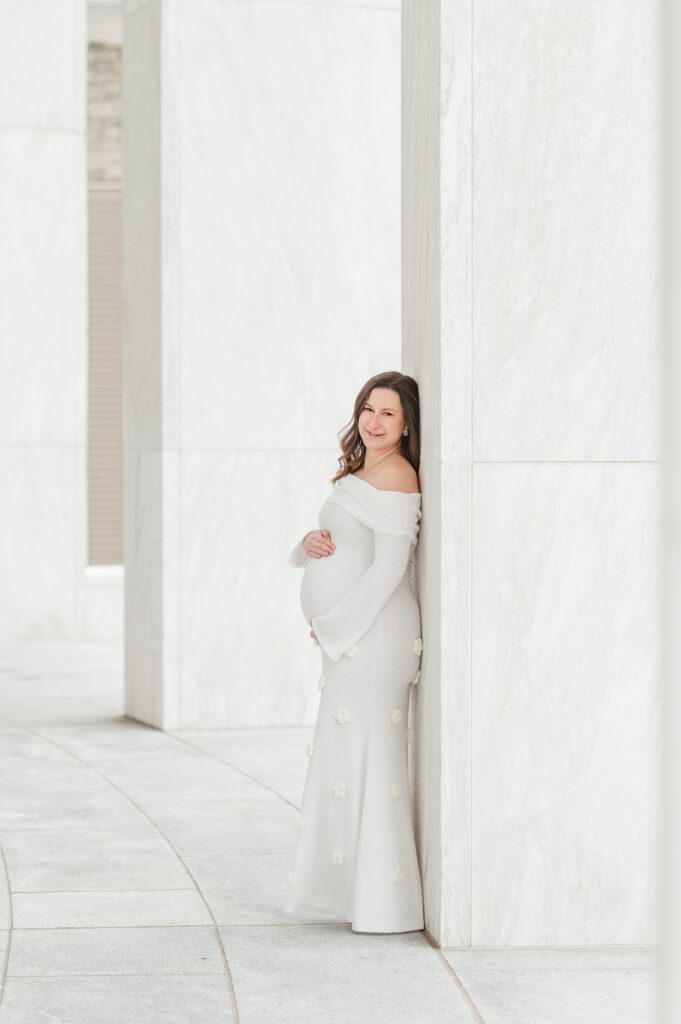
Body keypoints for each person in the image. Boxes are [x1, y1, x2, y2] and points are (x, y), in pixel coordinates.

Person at [281, 370, 425, 934]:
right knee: (345, 756)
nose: (374, 420)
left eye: (388, 413)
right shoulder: (363, 469)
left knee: (372, 757)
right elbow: (337, 546)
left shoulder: (398, 475)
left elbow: (391, 569)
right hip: (351, 637)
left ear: (407, 422)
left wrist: (336, 625)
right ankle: (352, 895)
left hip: (375, 636)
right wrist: (305, 547)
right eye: (369, 408)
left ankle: (383, 905)